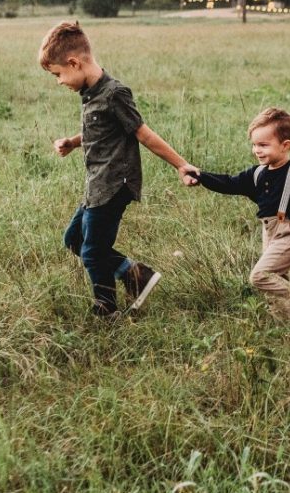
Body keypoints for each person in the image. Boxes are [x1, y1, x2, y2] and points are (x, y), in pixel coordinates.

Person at [38, 21, 196, 317]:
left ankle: (106, 307)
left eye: (58, 74)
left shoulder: (114, 93)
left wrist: (182, 165)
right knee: (74, 239)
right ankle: (136, 275)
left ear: (74, 62)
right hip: (96, 185)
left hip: (114, 185)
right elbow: (101, 133)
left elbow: (143, 134)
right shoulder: (90, 94)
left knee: (93, 251)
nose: (59, 81)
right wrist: (73, 142)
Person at [184, 108, 290, 328]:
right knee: (275, 285)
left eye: (263, 145)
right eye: (254, 145)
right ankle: (287, 330)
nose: (257, 150)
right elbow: (229, 183)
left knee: (260, 276)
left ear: (285, 145)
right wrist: (200, 175)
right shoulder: (257, 173)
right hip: (270, 235)